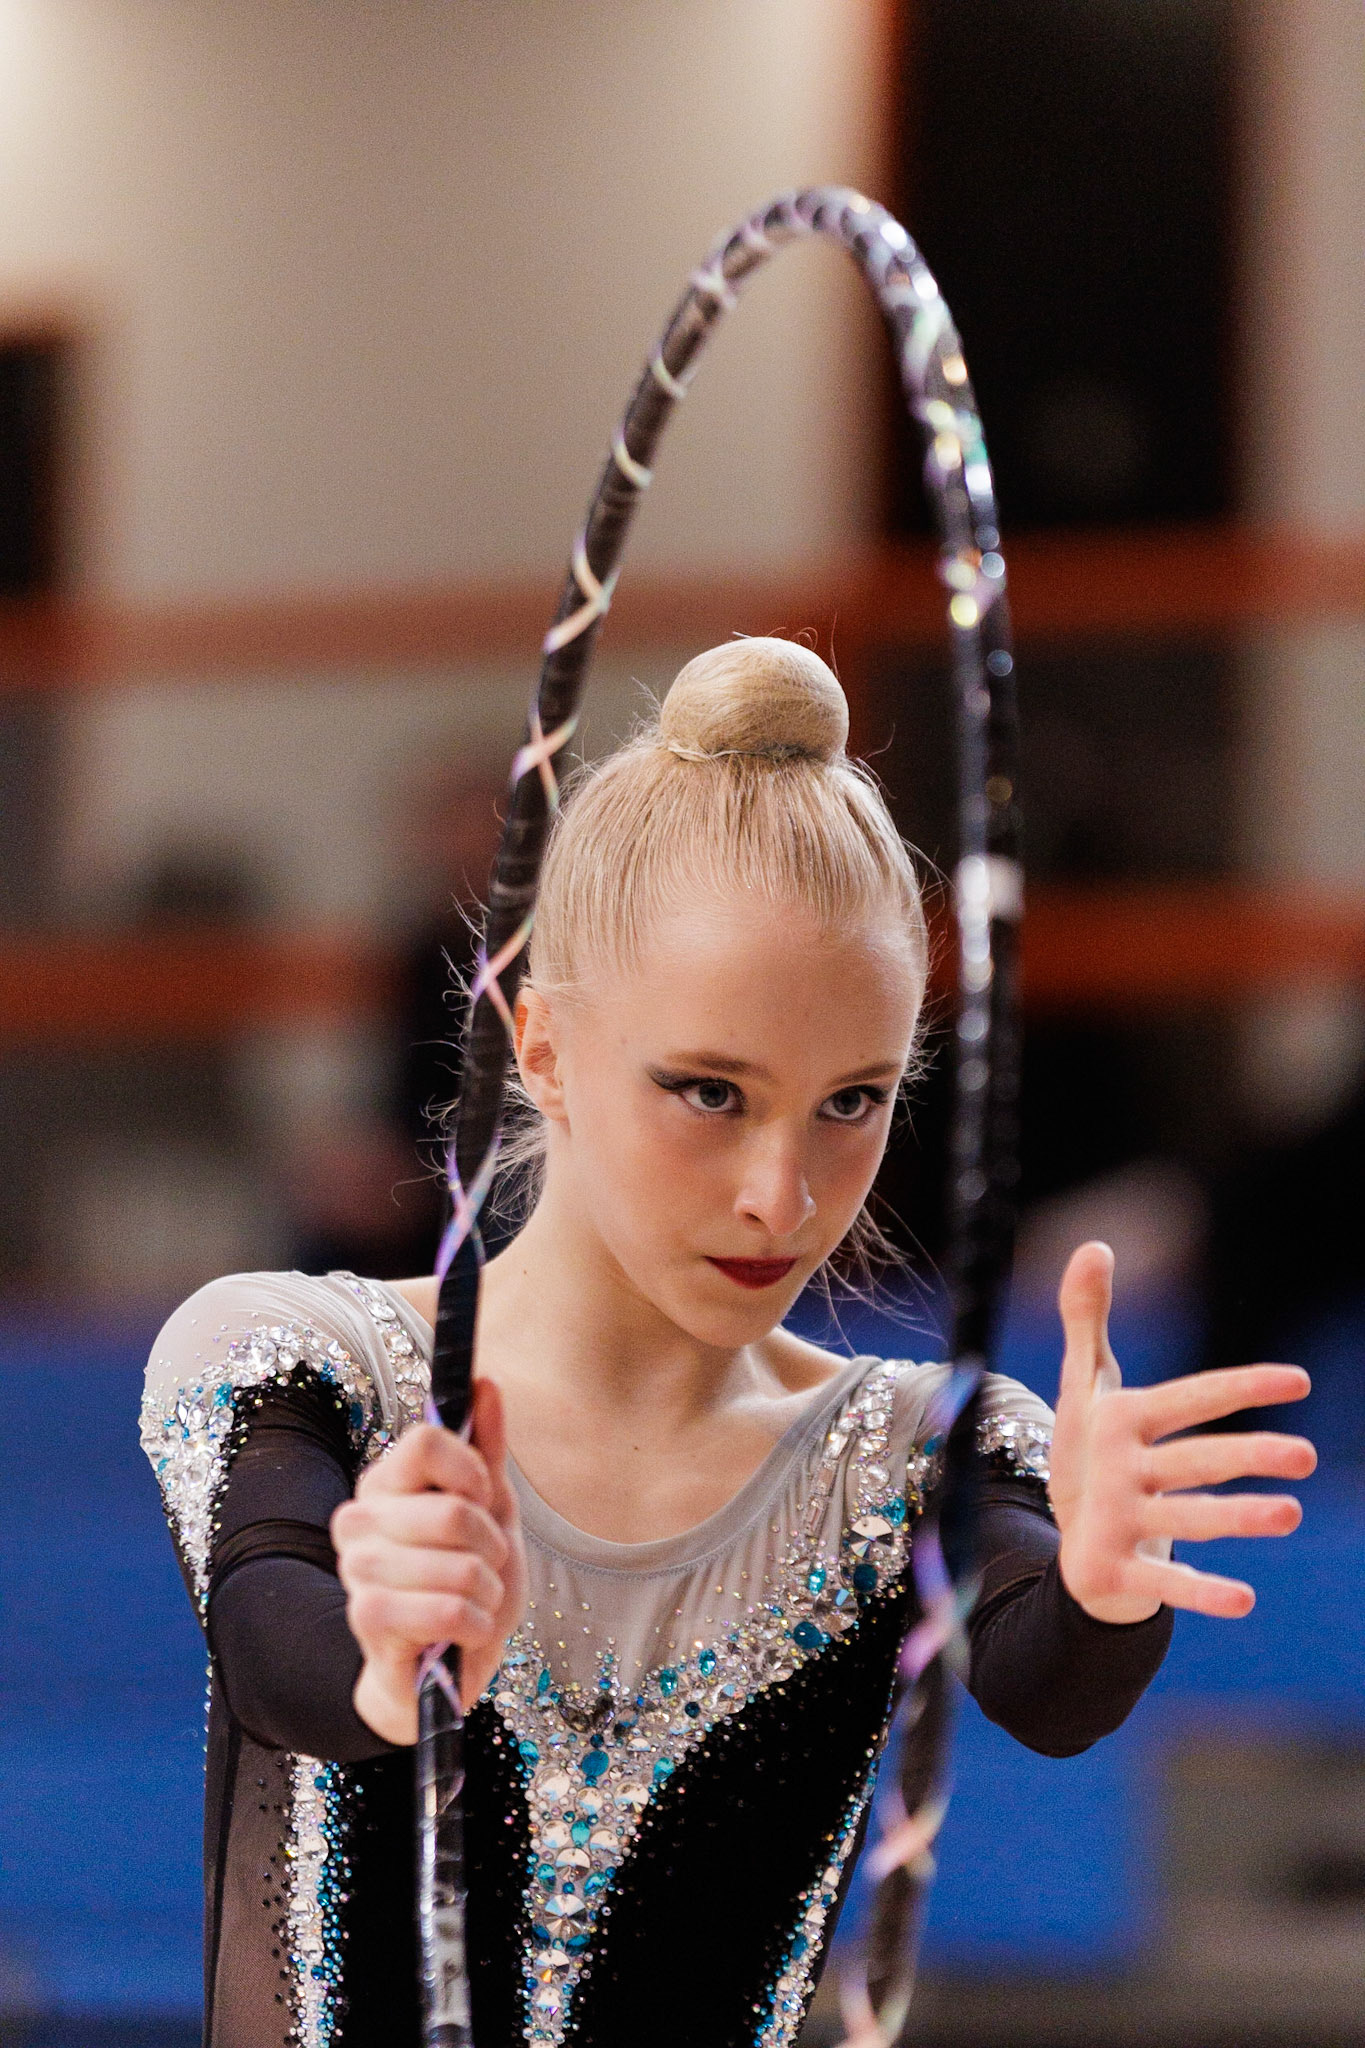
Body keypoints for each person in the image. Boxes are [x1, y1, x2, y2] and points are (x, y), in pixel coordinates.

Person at [142, 640, 1316, 2048]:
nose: (783, 1193)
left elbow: (1042, 1683)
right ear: (545, 1044)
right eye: (710, 1091)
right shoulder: (295, 1358)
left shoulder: (911, 1442)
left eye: (850, 1101)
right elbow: (286, 1649)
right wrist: (387, 1655)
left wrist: (1105, 1591)